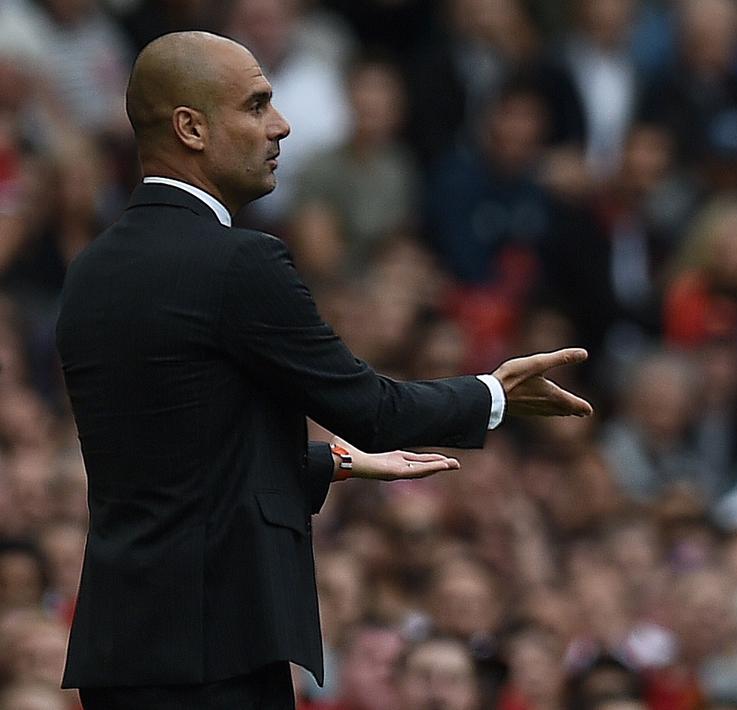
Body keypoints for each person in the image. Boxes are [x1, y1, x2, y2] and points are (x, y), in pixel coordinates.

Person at [55, 31, 592, 710]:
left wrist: (331, 463)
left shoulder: (91, 270)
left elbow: (172, 462)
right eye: (256, 105)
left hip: (120, 652)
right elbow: (372, 408)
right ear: (191, 128)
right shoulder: (240, 263)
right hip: (217, 650)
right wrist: (493, 392)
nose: (280, 126)